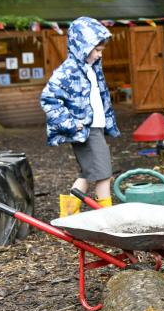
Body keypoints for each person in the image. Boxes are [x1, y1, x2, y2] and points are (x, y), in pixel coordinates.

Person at [40, 17, 120, 217]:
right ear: (83, 46)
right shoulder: (67, 71)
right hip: (85, 130)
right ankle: (107, 218)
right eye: (97, 50)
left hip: (96, 128)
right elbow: (48, 99)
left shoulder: (91, 68)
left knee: (89, 172)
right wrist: (71, 124)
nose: (100, 55)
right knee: (103, 175)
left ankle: (68, 216)